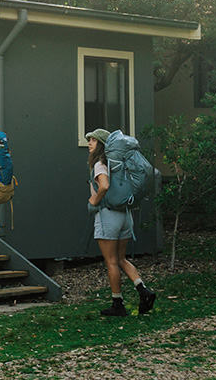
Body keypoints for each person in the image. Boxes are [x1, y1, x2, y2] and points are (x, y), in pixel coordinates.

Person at [85, 128, 157, 316]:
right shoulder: (118, 165)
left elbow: (104, 186)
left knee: (111, 262)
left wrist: (93, 201)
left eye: (93, 140)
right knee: (121, 259)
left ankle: (118, 304)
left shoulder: (100, 164)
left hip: (108, 215)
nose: (89, 144)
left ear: (101, 143)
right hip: (125, 215)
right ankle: (143, 291)